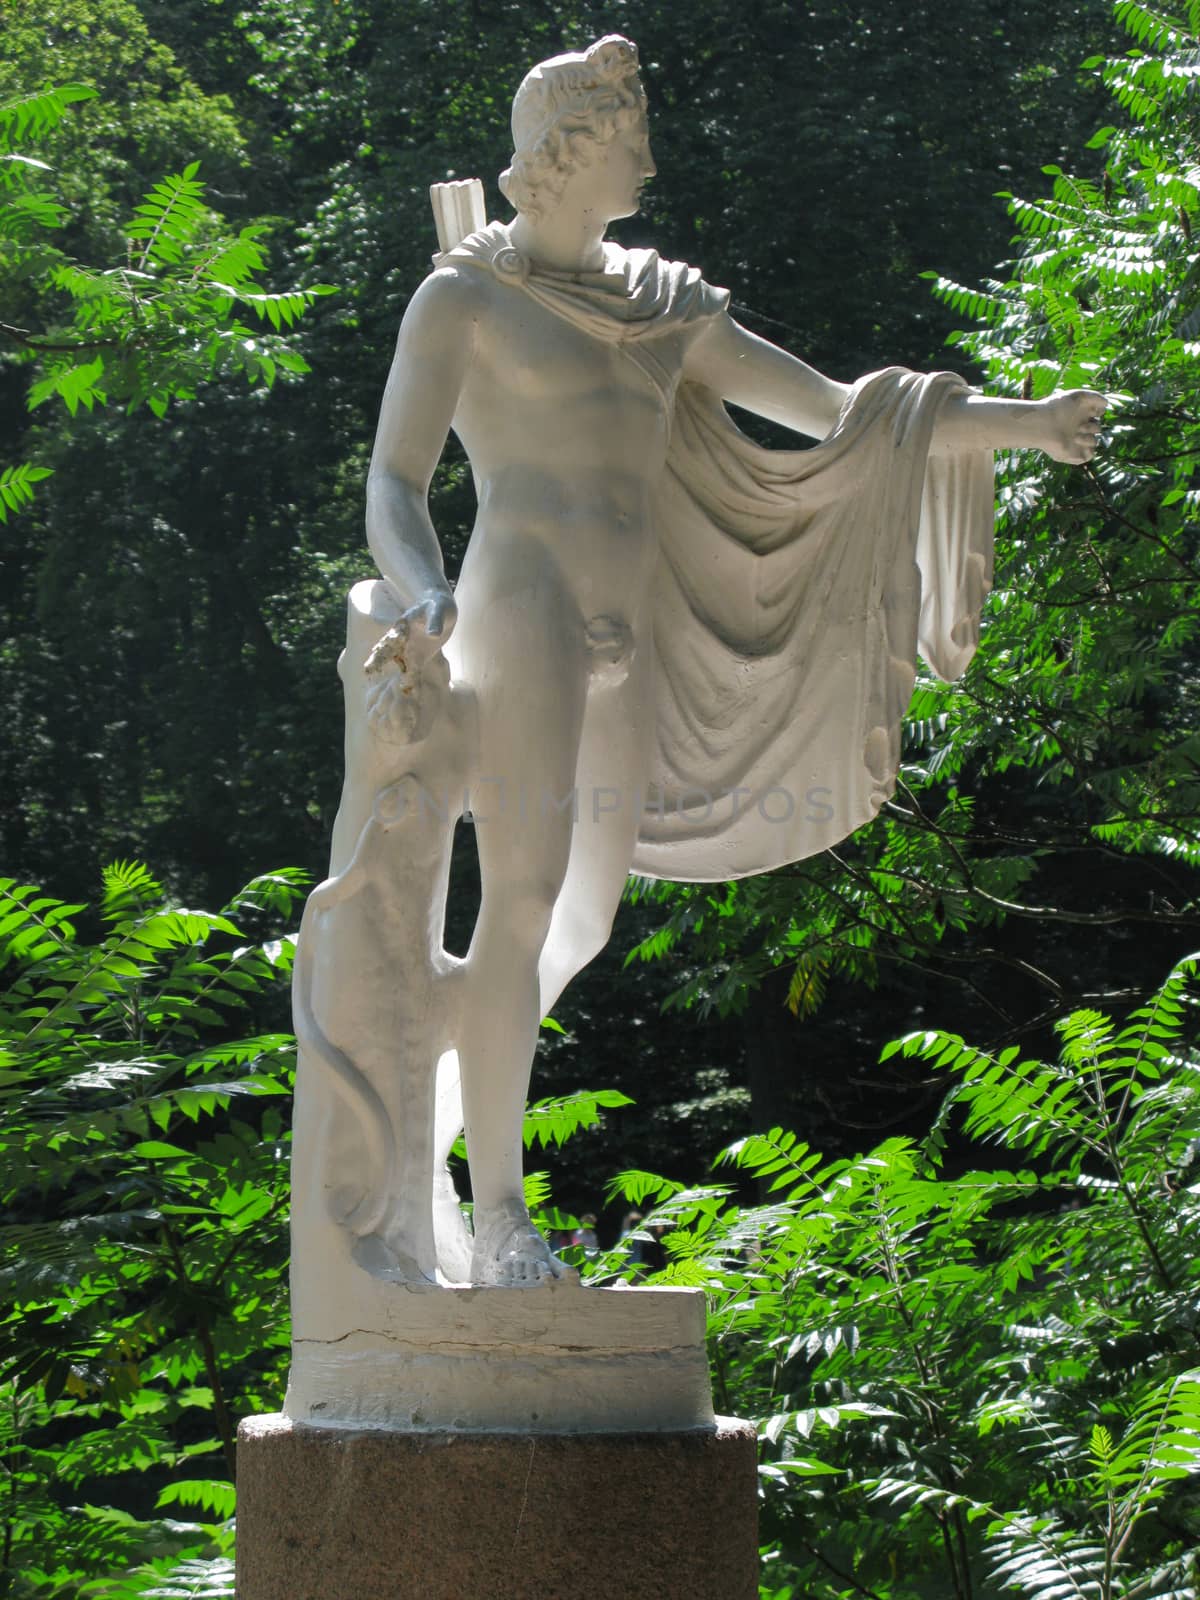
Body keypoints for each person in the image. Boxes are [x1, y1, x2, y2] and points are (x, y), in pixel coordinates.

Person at [364, 35, 1104, 1288]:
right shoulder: (465, 300)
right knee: (527, 904)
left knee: (584, 920)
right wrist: (427, 587)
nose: (650, 143)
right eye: (633, 123)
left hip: (626, 627)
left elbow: (836, 411)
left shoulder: (662, 307)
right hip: (521, 610)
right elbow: (394, 478)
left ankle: (428, 1115)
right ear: (574, 148)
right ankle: (498, 1216)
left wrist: (1018, 426)